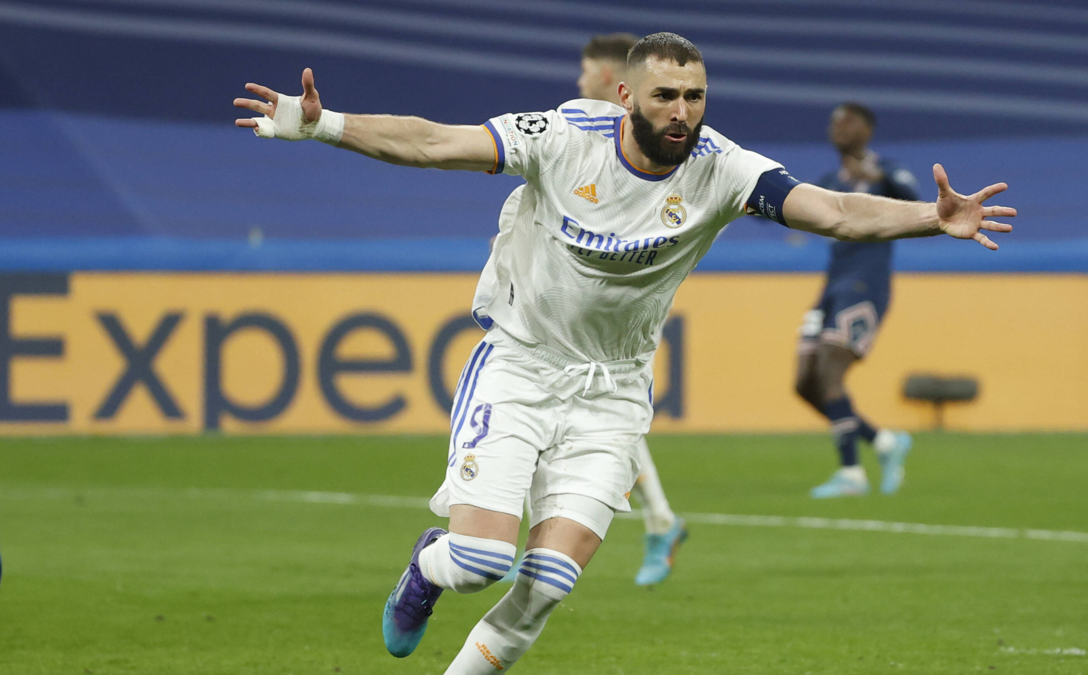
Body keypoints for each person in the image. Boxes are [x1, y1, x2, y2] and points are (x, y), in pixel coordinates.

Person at [233, 32, 1015, 675]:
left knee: (547, 581)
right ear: (625, 97)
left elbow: (837, 211)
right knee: (479, 560)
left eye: (695, 96)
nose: (682, 111)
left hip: (612, 395)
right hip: (521, 367)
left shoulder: (724, 168)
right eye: (665, 95)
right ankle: (426, 566)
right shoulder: (562, 138)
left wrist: (931, 216)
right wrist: (325, 125)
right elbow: (435, 142)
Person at [573, 31, 687, 585]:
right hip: (591, 298)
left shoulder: (644, 139)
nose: (579, 81)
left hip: (613, 300)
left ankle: (512, 542)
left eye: (584, 71)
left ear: (606, 76)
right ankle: (661, 518)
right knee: (603, 414)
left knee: (584, 409)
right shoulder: (581, 131)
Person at [796, 103, 920, 499]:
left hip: (865, 284)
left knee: (831, 369)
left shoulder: (887, 171)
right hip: (831, 287)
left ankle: (851, 473)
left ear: (867, 129)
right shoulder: (831, 181)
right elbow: (789, 205)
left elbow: (915, 199)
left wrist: (880, 178)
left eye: (847, 121)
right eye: (834, 122)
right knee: (806, 384)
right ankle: (884, 442)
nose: (838, 127)